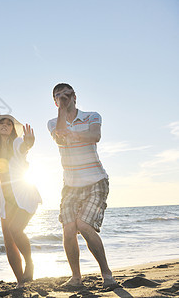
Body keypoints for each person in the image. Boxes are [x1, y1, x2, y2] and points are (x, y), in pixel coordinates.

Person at [47, 83, 117, 288]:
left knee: (84, 226)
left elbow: (95, 136)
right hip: (70, 185)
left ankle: (107, 275)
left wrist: (76, 135)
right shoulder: (53, 122)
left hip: (96, 180)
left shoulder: (92, 116)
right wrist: (62, 110)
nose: (62, 98)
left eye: (65, 94)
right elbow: (59, 136)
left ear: (74, 96)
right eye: (57, 96)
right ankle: (76, 278)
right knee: (68, 229)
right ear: (54, 101)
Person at [0, 115, 42, 287]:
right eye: (1, 123)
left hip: (24, 195)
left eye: (8, 124)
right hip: (5, 200)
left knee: (15, 229)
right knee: (9, 241)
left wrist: (29, 143)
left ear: (13, 129)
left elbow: (25, 147)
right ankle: (20, 281)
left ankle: (30, 262)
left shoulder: (17, 143)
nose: (5, 125)